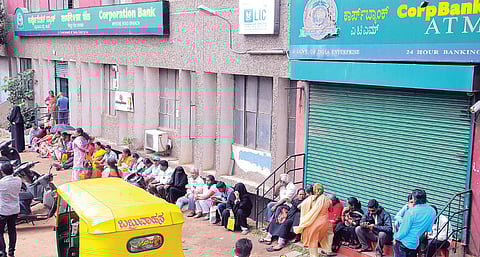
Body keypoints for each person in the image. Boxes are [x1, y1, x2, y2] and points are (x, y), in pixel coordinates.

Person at [293, 184, 332, 257]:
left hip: (315, 224)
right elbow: (331, 209)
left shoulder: (311, 198)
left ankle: (314, 255)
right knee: (326, 236)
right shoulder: (327, 199)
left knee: (313, 240)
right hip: (325, 223)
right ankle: (328, 250)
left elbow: (299, 206)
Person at [394, 189, 436, 257]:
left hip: (404, 243)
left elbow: (403, 231)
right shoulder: (432, 211)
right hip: (415, 244)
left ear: (415, 199)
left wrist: (396, 238)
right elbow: (428, 229)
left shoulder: (411, 212)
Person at [0, 163, 22, 257]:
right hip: (14, 209)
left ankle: (2, 251)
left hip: (3, 210)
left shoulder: (2, 182)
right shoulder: (18, 180)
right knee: (12, 230)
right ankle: (11, 251)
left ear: (3, 172)